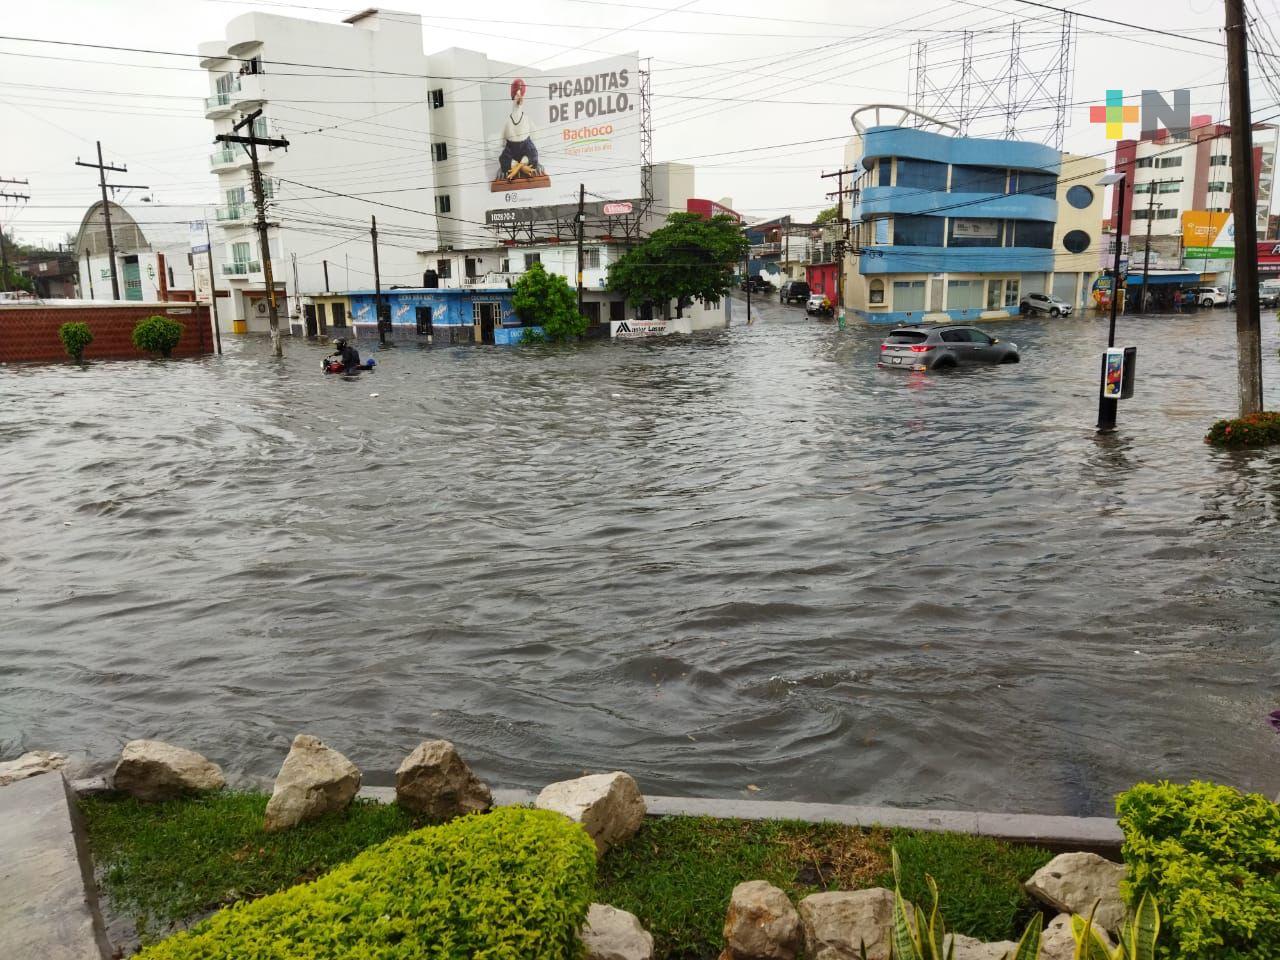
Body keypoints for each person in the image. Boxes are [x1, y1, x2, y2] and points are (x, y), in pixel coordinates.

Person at [496, 79, 543, 181]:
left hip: (526, 146)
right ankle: (522, 166)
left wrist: (518, 165)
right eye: (516, 94)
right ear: (513, 96)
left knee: (533, 155)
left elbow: (536, 137)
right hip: (511, 148)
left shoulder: (527, 119)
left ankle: (517, 167)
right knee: (504, 159)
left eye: (521, 94)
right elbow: (501, 144)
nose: (519, 97)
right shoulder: (507, 122)